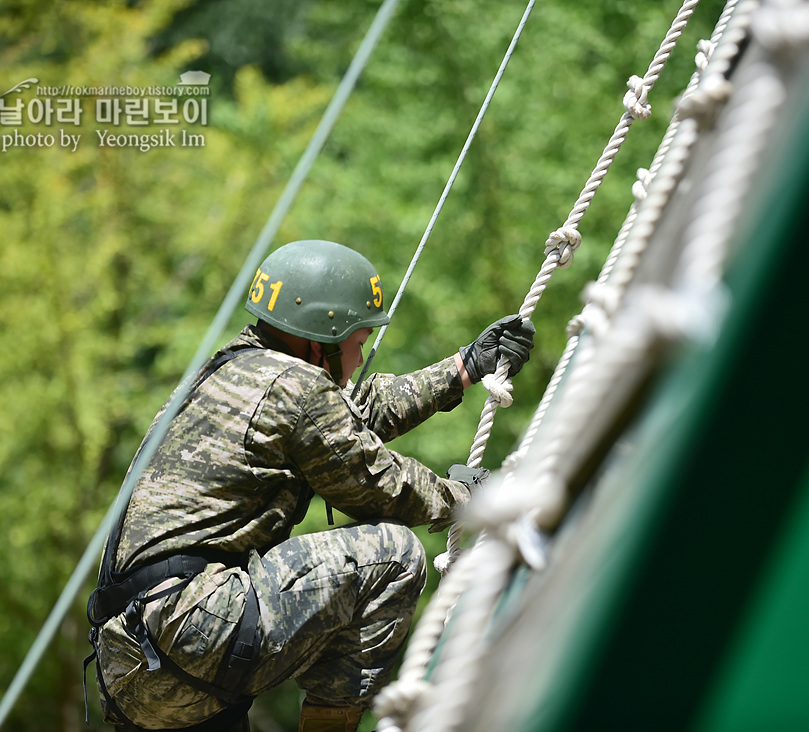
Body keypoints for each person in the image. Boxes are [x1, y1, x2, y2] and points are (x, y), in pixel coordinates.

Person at [86, 240, 535, 732]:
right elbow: (380, 487)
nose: (361, 353)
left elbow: (345, 420)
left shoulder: (231, 373)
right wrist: (471, 495)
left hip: (133, 658)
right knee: (393, 556)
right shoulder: (295, 388)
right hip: (196, 627)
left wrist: (463, 369)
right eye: (359, 341)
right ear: (322, 337)